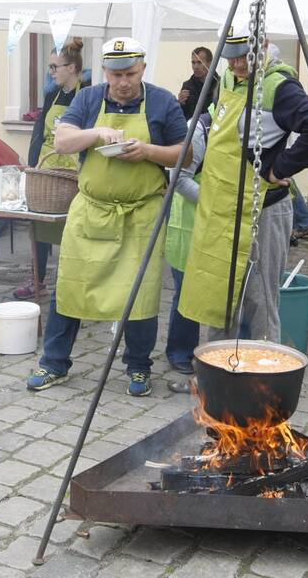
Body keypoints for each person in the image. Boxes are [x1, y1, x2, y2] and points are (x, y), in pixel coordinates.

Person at [26, 37, 188, 397]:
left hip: (141, 213)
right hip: (92, 212)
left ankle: (139, 367)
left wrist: (147, 151)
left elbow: (184, 155)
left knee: (141, 294)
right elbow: (63, 141)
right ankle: (53, 363)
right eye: (115, 74)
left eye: (130, 73)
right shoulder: (88, 98)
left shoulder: (161, 101)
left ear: (142, 69)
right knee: (69, 287)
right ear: (104, 72)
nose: (123, 82)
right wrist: (97, 132)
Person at [178, 32, 308, 343]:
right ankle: (214, 374)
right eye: (230, 57)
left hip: (263, 208)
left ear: (262, 46)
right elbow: (223, 117)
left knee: (259, 299)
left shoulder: (278, 86)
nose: (235, 64)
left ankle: (262, 375)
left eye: (243, 55)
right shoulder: (230, 79)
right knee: (218, 293)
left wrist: (282, 167)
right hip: (224, 208)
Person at [15, 39, 85, 300]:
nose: (52, 72)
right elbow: (37, 134)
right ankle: (38, 280)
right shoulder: (51, 95)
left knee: (71, 231)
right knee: (39, 227)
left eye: (55, 67)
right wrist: (32, 166)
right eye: (50, 67)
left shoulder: (87, 94)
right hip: (47, 168)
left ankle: (71, 285)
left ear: (73, 67)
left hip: (73, 172)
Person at [165, 110, 210, 389]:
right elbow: (178, 178)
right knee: (187, 289)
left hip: (222, 221)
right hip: (190, 220)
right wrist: (212, 202)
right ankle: (180, 351)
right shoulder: (200, 130)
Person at [178, 46, 217, 120]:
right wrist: (180, 104)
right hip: (193, 129)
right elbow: (181, 116)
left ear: (210, 63)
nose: (195, 66)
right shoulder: (187, 86)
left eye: (199, 62)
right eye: (193, 62)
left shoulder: (220, 84)